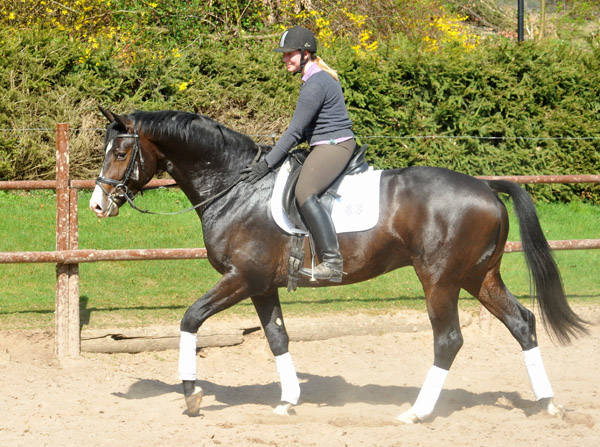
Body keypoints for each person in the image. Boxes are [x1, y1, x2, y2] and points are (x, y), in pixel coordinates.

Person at [240, 26, 356, 283]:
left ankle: (332, 262)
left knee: (305, 191)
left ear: (305, 53)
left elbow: (294, 132)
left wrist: (267, 165)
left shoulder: (316, 83)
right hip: (324, 143)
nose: (284, 59)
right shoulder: (314, 79)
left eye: (289, 54)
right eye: (284, 54)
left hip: (335, 145)